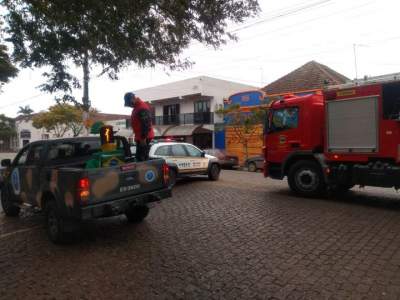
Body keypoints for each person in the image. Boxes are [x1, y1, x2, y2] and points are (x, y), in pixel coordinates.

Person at [124, 92, 154, 161]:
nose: (129, 106)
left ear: (132, 99)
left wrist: (143, 138)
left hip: (144, 137)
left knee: (142, 158)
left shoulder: (141, 107)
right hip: (140, 137)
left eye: (129, 104)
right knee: (140, 157)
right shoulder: (136, 107)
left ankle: (144, 170)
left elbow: (146, 123)